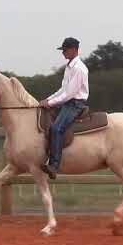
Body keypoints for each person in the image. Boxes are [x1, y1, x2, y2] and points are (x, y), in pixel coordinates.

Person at [39, 37, 89, 179]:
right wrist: (48, 99)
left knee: (56, 128)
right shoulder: (69, 67)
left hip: (75, 104)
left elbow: (69, 94)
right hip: (67, 102)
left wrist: (51, 103)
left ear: (74, 50)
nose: (63, 53)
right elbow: (62, 90)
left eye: (65, 50)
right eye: (63, 50)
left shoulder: (79, 69)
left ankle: (54, 166)